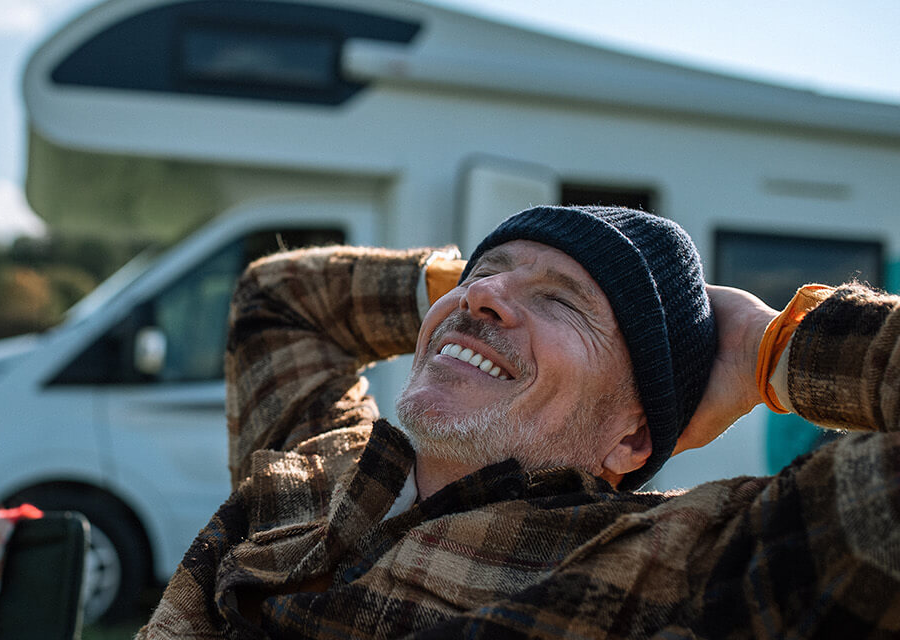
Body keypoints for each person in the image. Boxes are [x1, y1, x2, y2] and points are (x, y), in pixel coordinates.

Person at [137, 205, 900, 638]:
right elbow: (280, 299)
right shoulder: (319, 465)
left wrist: (771, 349)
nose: (481, 297)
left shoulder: (676, 572)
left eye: (561, 300)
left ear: (632, 438)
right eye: (481, 276)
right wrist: (453, 293)